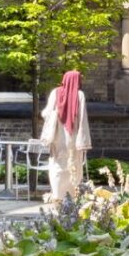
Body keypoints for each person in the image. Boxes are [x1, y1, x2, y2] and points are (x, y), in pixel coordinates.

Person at [39, 70, 90, 203]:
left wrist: (56, 115)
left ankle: (57, 196)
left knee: (57, 166)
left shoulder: (55, 93)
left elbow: (45, 113)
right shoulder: (80, 95)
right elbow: (83, 118)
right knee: (73, 165)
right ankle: (72, 196)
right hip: (73, 138)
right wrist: (84, 140)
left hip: (57, 137)